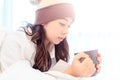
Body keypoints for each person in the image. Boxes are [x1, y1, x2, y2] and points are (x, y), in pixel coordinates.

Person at [0, 0, 101, 80]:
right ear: (44, 21)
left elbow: (54, 75)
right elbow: (14, 76)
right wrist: (71, 72)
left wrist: (83, 71)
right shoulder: (16, 42)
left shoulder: (54, 49)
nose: (66, 31)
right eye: (62, 24)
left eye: (68, 26)